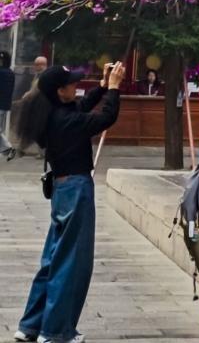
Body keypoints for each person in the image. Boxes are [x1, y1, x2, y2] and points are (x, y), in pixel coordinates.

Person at [14, 61, 125, 343]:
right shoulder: (66, 121)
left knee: (53, 259)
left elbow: (83, 106)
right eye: (72, 84)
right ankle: (54, 332)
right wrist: (113, 89)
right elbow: (105, 118)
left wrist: (102, 86)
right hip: (76, 189)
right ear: (60, 91)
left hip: (64, 190)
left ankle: (30, 325)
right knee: (71, 263)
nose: (77, 87)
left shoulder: (54, 113)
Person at [0, 51, 15, 159]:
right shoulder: (9, 72)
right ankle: (6, 149)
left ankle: (7, 148)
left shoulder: (2, 72)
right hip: (4, 105)